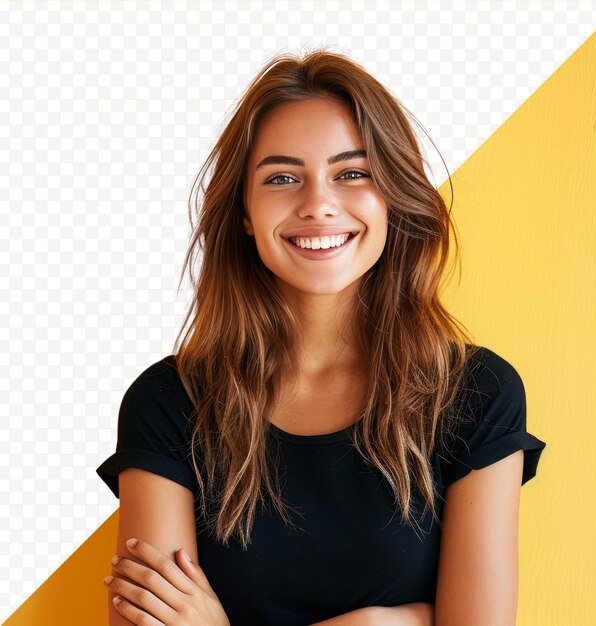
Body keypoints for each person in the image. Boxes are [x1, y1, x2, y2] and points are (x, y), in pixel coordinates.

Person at [97, 47, 546, 626]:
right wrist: (393, 621)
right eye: (283, 178)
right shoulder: (167, 402)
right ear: (244, 211)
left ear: (392, 197)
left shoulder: (476, 394)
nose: (318, 204)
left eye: (351, 173)